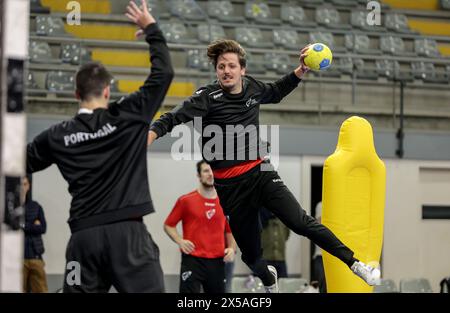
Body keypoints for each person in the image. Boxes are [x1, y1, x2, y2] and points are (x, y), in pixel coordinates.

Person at [147, 39, 380, 292]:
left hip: (261, 173)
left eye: (231, 66)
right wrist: (149, 137)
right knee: (252, 257)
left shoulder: (252, 88)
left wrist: (300, 71)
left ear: (242, 70)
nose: (226, 70)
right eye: (221, 66)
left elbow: (276, 91)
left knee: (301, 222)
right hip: (231, 188)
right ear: (216, 71)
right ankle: (268, 278)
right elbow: (171, 118)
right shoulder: (206, 97)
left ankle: (356, 264)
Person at [26, 1, 174, 293]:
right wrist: (150, 29)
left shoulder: (56, 136)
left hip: (83, 240)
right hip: (129, 236)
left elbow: (17, 163)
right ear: (107, 91)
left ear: (76, 93)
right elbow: (163, 73)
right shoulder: (129, 114)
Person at [164, 160, 236, 293]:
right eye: (206, 171)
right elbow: (169, 225)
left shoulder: (225, 202)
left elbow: (230, 231)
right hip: (192, 259)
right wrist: (180, 241)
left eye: (212, 170)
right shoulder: (186, 200)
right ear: (199, 175)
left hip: (217, 261)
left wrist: (232, 248)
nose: (210, 174)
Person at [21, 175, 48, 293]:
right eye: (21, 184)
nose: (22, 187)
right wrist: (33, 224)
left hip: (35, 256)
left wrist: (23, 225)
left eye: (25, 184)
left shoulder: (36, 207)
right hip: (17, 258)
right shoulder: (11, 207)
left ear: (28, 186)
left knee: (41, 290)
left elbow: (42, 228)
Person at [260, 207, 290, 278]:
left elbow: (286, 235)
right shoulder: (262, 217)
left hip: (281, 259)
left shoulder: (283, 220)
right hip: (265, 259)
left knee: (283, 285)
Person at [311, 201, 327, 293]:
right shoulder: (321, 205)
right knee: (322, 288)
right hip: (320, 256)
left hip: (333, 256)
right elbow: (320, 223)